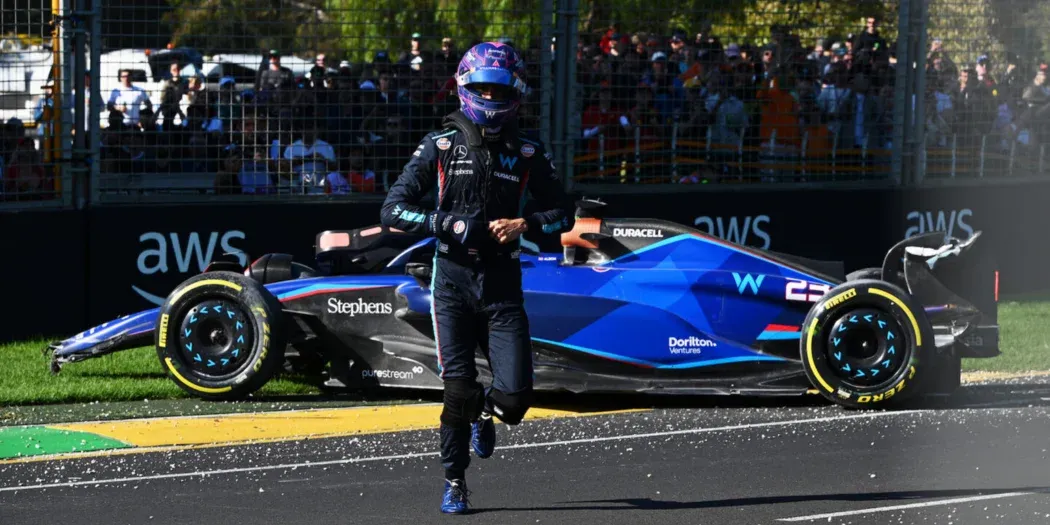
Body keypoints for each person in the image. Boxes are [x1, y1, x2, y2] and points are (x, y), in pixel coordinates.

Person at [380, 41, 571, 514]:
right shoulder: (441, 144)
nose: (490, 97)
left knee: (516, 400)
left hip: (503, 285)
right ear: (465, 87)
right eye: (483, 87)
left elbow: (564, 213)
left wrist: (526, 224)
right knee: (457, 389)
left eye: (499, 89)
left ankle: (488, 411)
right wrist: (445, 223)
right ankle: (455, 481)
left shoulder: (528, 151)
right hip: (453, 282)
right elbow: (392, 210)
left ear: (516, 94)